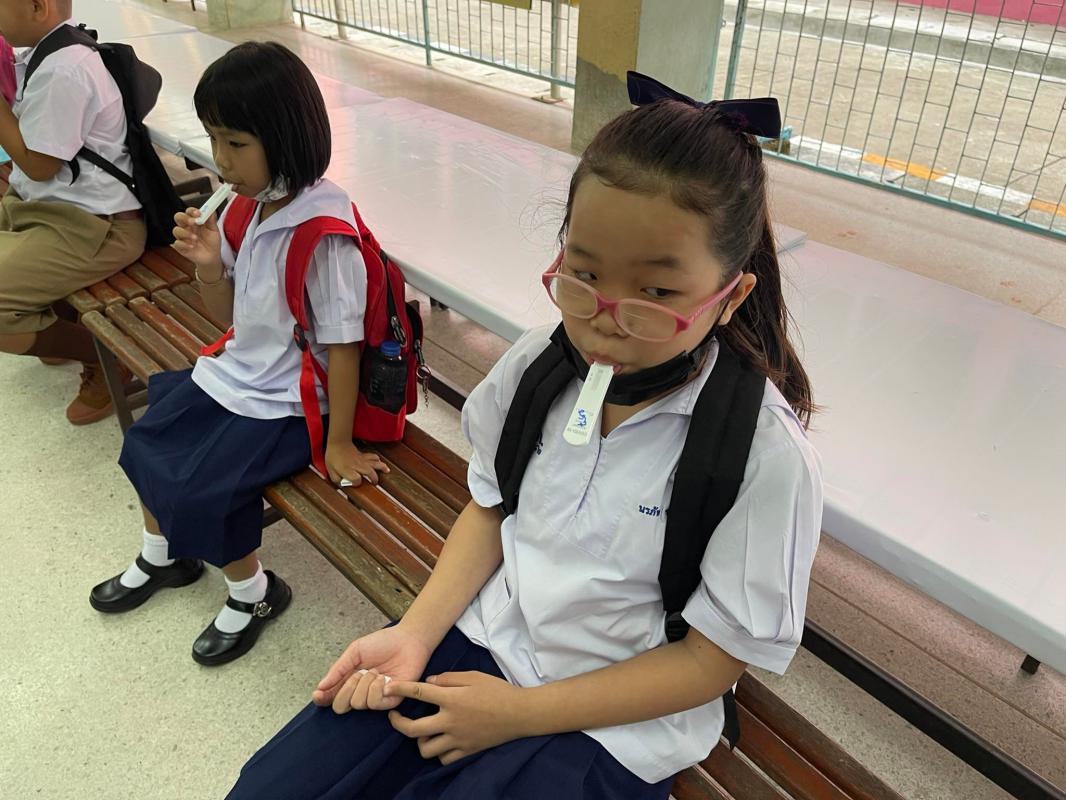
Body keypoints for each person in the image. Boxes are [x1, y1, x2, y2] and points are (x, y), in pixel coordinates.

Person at [228, 74, 824, 799]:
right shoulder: (541, 363)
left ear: (732, 297)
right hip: (485, 638)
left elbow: (711, 661)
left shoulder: (761, 454)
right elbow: (492, 508)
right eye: (584, 273)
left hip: (613, 723)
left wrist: (519, 714)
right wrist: (414, 634)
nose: (604, 320)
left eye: (657, 293)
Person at [88, 41, 387, 666]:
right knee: (146, 441)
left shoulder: (325, 235)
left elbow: (344, 350)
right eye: (213, 139)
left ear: (287, 136)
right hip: (241, 372)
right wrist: (207, 265)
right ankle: (163, 556)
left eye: (235, 142)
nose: (220, 159)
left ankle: (255, 594)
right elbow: (230, 318)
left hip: (290, 400)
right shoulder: (248, 207)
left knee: (208, 484)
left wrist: (337, 442)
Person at [0, 0, 146, 424]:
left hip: (97, 228)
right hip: (54, 211)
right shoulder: (51, 52)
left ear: (38, 7)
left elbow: (39, 165)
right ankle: (53, 324)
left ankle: (106, 357)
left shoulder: (65, 68)